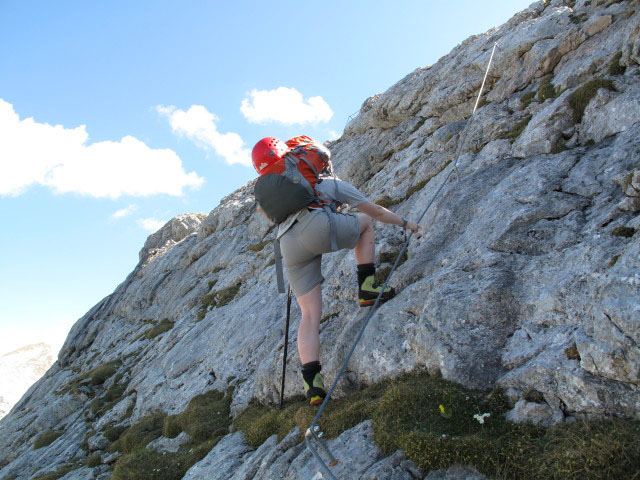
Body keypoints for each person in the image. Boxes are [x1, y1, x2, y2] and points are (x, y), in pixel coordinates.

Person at [253, 137, 419, 406]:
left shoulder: (270, 195)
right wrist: (408, 223)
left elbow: (268, 214)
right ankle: (367, 287)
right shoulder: (326, 183)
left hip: (288, 246)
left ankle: (314, 386)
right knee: (364, 224)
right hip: (315, 225)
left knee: (309, 315)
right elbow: (374, 211)